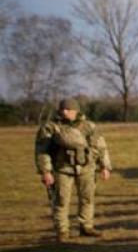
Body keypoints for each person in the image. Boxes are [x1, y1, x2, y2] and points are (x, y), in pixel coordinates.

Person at [35, 98, 112, 242]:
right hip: (62, 169)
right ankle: (62, 231)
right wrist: (46, 171)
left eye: (68, 110)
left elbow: (101, 147)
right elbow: (42, 151)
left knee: (87, 198)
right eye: (62, 109)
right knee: (61, 200)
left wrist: (105, 166)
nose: (64, 112)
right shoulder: (50, 127)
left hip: (86, 168)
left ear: (76, 111)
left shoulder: (89, 126)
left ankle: (86, 227)